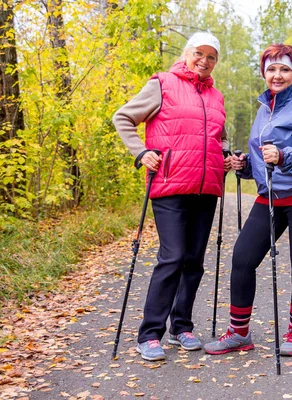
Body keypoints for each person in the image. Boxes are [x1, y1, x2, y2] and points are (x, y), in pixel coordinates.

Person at [204, 43, 292, 357]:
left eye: (284, 69)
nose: (277, 75)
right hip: (272, 195)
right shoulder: (265, 109)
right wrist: (245, 164)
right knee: (243, 257)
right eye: (271, 69)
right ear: (264, 73)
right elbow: (265, 160)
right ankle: (238, 333)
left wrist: (284, 155)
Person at [113, 31, 231, 361]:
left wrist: (225, 158)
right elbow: (123, 117)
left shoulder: (217, 97)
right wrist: (140, 152)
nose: (204, 61)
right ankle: (150, 333)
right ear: (187, 53)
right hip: (170, 185)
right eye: (199, 53)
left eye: (211, 57)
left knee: (194, 261)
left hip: (206, 188)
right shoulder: (162, 84)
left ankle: (181, 327)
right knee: (174, 256)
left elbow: (215, 138)